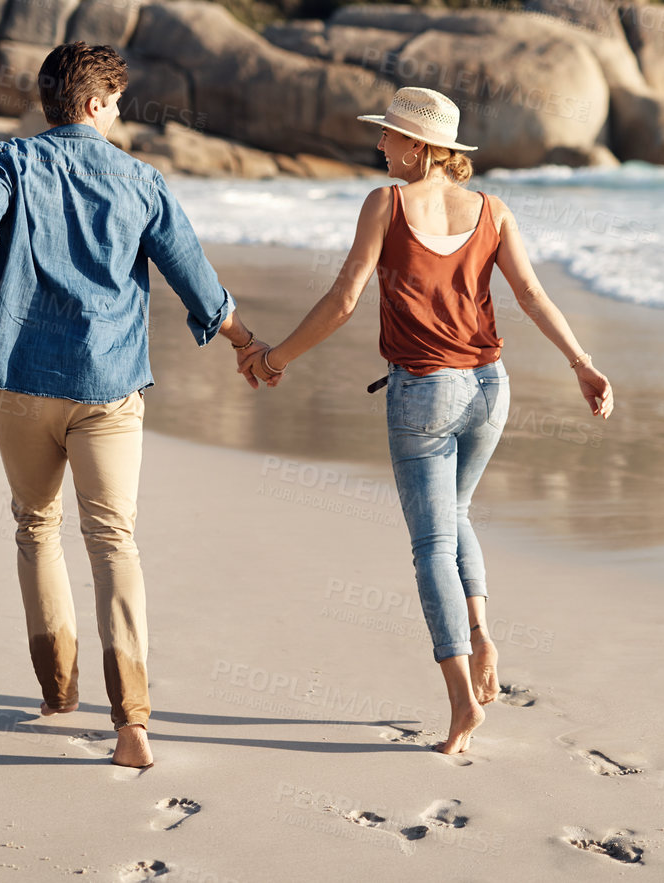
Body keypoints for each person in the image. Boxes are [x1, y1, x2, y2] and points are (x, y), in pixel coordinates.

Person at [239, 87, 614, 755]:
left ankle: (460, 699)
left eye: (387, 134)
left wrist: (276, 357)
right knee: (457, 514)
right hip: (490, 388)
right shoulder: (493, 211)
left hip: (424, 393)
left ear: (417, 145)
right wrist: (581, 362)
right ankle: (481, 633)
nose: (378, 143)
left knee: (431, 547)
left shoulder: (385, 204)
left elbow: (345, 294)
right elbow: (529, 293)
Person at [0, 41, 263, 770]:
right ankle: (131, 726)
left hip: (21, 379)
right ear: (94, 104)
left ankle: (58, 693)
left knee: (36, 526)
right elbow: (196, 279)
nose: (118, 115)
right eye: (115, 103)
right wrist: (247, 342)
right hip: (108, 387)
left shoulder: (5, 160)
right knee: (113, 540)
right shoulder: (141, 179)